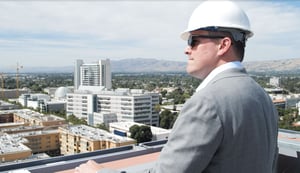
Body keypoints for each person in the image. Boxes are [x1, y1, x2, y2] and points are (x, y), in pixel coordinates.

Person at [75, 1, 278, 172]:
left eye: (194, 40)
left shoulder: (208, 102)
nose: (186, 49)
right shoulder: (261, 95)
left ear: (223, 45)